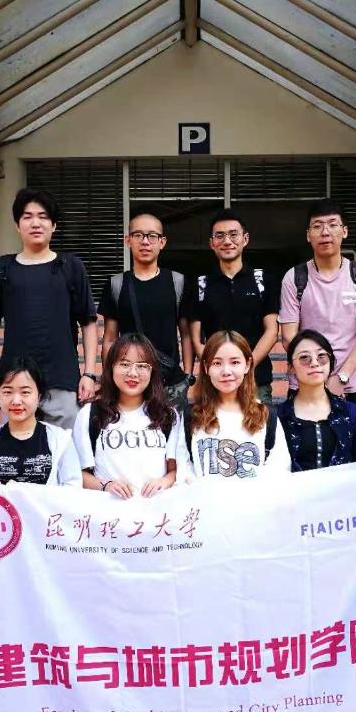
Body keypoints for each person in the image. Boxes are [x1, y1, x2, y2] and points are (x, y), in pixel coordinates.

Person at [0, 188, 98, 430]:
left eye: (43, 217)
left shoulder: (70, 266)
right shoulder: (1, 268)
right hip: (14, 382)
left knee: (65, 449)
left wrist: (89, 373)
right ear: (17, 225)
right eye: (27, 216)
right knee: (18, 447)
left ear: (54, 225)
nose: (35, 223)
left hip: (62, 380)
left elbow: (88, 323)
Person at [279, 198, 356, 409]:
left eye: (332, 225)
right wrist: (317, 375)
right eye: (317, 226)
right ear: (308, 235)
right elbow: (289, 337)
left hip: (354, 386)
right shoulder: (294, 277)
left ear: (344, 231)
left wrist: (342, 377)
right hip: (306, 385)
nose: (325, 232)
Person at [98, 212, 195, 408]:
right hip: (130, 380)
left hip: (169, 382)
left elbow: (186, 334)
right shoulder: (116, 284)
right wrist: (109, 377)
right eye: (138, 235)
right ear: (128, 240)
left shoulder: (177, 282)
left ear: (162, 242)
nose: (145, 242)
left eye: (152, 236)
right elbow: (109, 338)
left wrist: (187, 376)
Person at [74, 334, 188, 498]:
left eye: (142, 366)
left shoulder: (167, 415)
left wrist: (162, 483)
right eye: (124, 364)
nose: (133, 373)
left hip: (154, 509)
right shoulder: (91, 414)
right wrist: (106, 486)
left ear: (152, 371)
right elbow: (78, 473)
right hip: (108, 510)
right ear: (111, 367)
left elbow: (176, 471)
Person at [188, 209, 279, 404]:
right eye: (220, 236)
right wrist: (218, 368)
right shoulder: (200, 285)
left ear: (245, 239)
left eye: (233, 234)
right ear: (212, 243)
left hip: (256, 379)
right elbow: (197, 339)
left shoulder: (263, 281)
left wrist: (245, 367)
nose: (227, 241)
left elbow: (272, 331)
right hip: (216, 382)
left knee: (259, 423)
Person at [0, 356, 81, 486]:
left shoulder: (61, 440)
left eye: (25, 392)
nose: (16, 401)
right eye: (7, 392)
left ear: (39, 396)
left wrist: (23, 492)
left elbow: (72, 490)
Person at [186, 330, 291, 479]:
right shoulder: (191, 416)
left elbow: (279, 470)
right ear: (206, 367)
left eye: (235, 362)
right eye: (217, 363)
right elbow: (183, 470)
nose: (226, 371)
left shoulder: (266, 416)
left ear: (247, 365)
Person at [278, 329, 356, 471]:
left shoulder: (350, 412)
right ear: (291, 368)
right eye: (304, 357)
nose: (314, 363)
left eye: (321, 356)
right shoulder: (279, 416)